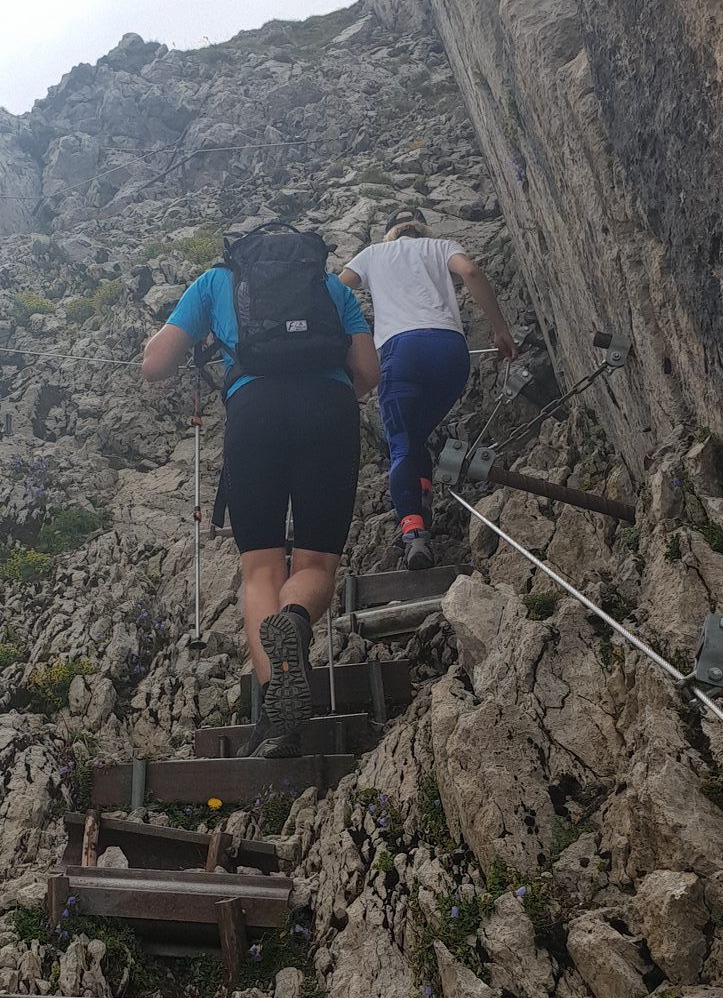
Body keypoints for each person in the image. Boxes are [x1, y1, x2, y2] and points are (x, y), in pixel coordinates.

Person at [142, 224, 379, 757]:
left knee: (261, 568)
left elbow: (155, 366)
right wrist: (338, 398)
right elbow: (368, 370)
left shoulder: (213, 284)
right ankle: (295, 625)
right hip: (329, 412)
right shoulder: (330, 289)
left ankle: (278, 716)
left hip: (253, 414)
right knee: (316, 563)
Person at [340, 207, 516, 569]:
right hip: (451, 353)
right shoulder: (440, 245)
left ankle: (414, 533)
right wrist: (500, 329)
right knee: (417, 435)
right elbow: (470, 271)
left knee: (401, 443)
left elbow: (336, 290)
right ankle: (422, 498)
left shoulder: (373, 253)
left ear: (390, 232)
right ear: (422, 228)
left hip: (402, 352)